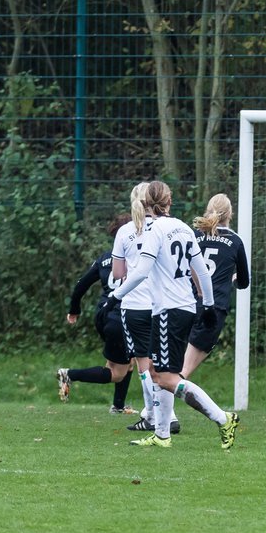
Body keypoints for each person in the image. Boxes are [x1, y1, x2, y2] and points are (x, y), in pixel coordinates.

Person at [106, 181, 238, 450]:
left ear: (145, 204)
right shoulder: (183, 227)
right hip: (182, 307)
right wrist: (209, 306)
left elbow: (141, 272)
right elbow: (200, 271)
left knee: (167, 378)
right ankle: (162, 434)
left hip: (168, 310)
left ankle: (223, 418)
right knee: (157, 371)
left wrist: (114, 297)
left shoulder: (154, 231)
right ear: (169, 202)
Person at [111, 182, 175, 435]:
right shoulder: (165, 229)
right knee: (161, 365)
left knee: (144, 366)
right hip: (161, 303)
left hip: (134, 303)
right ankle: (163, 415)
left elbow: (118, 274)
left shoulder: (126, 231)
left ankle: (158, 416)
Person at [58, 214, 134, 411]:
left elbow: (81, 285)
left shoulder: (105, 258)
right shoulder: (137, 257)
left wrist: (74, 310)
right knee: (117, 373)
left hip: (103, 314)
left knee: (129, 361)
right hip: (120, 318)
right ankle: (70, 375)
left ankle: (118, 406)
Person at [184, 193, 250, 381]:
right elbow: (244, 282)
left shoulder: (194, 235)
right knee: (183, 371)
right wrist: (232, 278)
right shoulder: (235, 241)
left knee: (173, 366)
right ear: (230, 214)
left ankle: (157, 406)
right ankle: (159, 408)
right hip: (213, 308)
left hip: (184, 303)